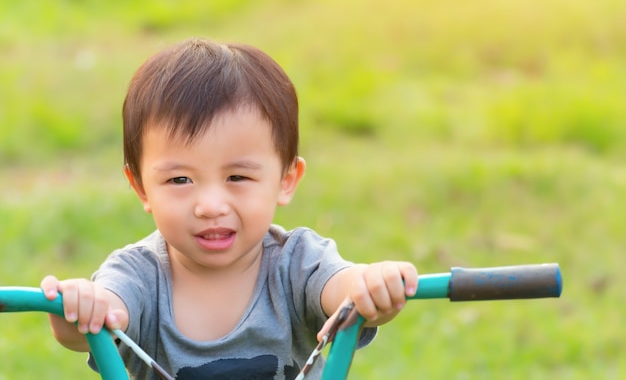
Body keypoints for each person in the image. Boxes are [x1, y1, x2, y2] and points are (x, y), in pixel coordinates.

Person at [41, 37, 418, 380]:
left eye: (237, 177)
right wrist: (82, 306)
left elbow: (349, 296)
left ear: (286, 180)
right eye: (180, 181)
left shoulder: (299, 263)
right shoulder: (138, 276)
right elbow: (90, 325)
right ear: (141, 186)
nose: (210, 206)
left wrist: (372, 285)